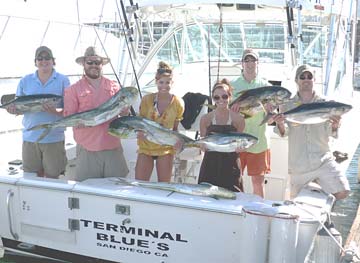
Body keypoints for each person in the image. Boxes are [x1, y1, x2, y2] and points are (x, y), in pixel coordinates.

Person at [273, 64, 350, 200]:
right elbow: (284, 133)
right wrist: (280, 123)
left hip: (323, 161)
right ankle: (316, 186)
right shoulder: (287, 105)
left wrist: (335, 125)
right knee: (296, 205)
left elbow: (331, 133)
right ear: (297, 80)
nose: (306, 79)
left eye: (310, 76)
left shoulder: (326, 103)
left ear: (314, 80)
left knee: (343, 191)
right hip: (299, 166)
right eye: (302, 77)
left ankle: (318, 186)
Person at [63, 46, 129, 181]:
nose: (94, 65)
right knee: (88, 191)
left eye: (97, 62)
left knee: (116, 189)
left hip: (112, 147)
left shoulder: (115, 87)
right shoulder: (73, 89)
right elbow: (69, 116)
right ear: (83, 64)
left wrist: (125, 112)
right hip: (87, 149)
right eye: (90, 62)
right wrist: (78, 123)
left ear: (101, 65)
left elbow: (123, 116)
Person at [7, 46, 70, 178]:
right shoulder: (25, 80)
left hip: (53, 138)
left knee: (54, 178)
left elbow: (70, 111)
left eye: (47, 58)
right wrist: (12, 110)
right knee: (31, 178)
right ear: (35, 62)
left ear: (53, 61)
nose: (44, 61)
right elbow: (19, 108)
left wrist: (55, 111)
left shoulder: (63, 80)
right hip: (30, 138)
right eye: (40, 58)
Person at [231, 48, 271, 197]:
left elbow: (271, 115)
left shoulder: (266, 85)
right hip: (237, 140)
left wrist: (269, 109)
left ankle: (259, 211)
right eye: (246, 60)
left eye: (252, 60)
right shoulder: (232, 85)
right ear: (241, 63)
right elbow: (224, 109)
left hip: (259, 142)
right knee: (234, 180)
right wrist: (232, 111)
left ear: (257, 62)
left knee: (258, 183)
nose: (249, 63)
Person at [135, 61, 184, 182]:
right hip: (146, 147)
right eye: (161, 82)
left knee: (164, 186)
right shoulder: (147, 99)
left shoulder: (178, 103)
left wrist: (179, 142)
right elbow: (140, 122)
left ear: (172, 83)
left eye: (168, 82)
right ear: (156, 82)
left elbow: (175, 129)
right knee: (140, 185)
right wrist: (140, 133)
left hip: (165, 148)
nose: (164, 86)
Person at [198, 79, 245, 192]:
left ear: (230, 96)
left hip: (231, 165)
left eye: (224, 96)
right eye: (216, 97)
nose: (221, 100)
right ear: (213, 99)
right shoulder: (205, 119)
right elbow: (203, 144)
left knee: (233, 198)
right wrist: (201, 145)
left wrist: (241, 148)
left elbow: (240, 142)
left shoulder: (239, 119)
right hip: (210, 164)